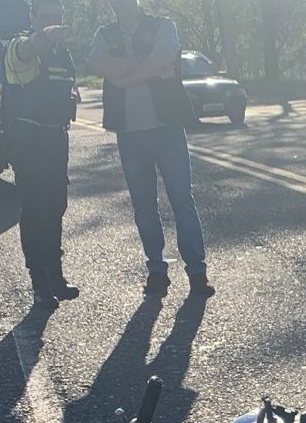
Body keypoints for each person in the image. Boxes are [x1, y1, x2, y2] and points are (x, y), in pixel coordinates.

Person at [88, 0, 214, 297]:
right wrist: (150, 67)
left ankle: (197, 273)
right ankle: (156, 270)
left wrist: (123, 77)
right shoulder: (104, 34)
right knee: (144, 206)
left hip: (167, 127)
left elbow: (162, 58)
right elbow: (98, 63)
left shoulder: (163, 25)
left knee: (182, 199)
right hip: (129, 134)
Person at [4, 0, 80, 309]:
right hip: (29, 141)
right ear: (32, 18)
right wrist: (45, 36)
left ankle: (56, 276)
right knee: (35, 211)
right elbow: (27, 50)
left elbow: (67, 85)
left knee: (57, 206)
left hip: (55, 138)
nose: (52, 24)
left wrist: (71, 97)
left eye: (57, 18)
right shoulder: (19, 46)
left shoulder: (61, 52)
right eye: (45, 18)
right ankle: (39, 282)